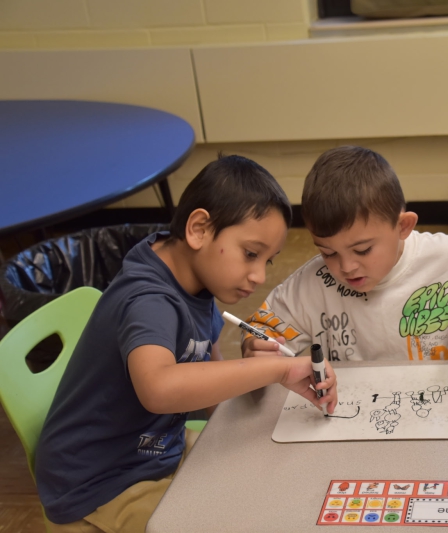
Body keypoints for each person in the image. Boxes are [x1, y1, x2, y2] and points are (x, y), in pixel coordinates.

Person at [35, 155, 338, 533]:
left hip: (156, 451)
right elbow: (159, 389)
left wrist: (249, 367)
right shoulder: (149, 300)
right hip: (102, 482)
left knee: (266, 474)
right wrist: (277, 368)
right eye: (250, 253)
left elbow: (209, 398)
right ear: (199, 229)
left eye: (268, 261)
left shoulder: (195, 283)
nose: (258, 276)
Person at [242, 145, 448, 362]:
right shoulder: (313, 284)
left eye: (363, 249)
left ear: (403, 226)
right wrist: (254, 346)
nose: (346, 267)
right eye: (327, 252)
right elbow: (259, 331)